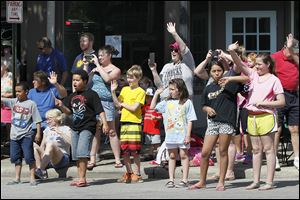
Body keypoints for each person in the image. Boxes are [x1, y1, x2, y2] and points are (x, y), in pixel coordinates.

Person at [228, 41, 285, 190]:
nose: (256, 67)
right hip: (252, 116)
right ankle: (256, 181)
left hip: (266, 116)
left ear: (268, 65)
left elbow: (281, 102)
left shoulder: (274, 80)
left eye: (259, 64)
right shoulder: (253, 75)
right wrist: (232, 51)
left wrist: (265, 104)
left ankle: (269, 182)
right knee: (256, 150)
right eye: (256, 64)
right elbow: (239, 64)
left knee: (269, 149)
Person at [189, 59, 247, 191]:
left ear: (223, 71)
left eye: (219, 71)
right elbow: (203, 105)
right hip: (213, 123)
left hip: (227, 122)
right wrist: (207, 109)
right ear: (210, 72)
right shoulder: (208, 88)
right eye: (214, 71)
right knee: (205, 152)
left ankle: (221, 181)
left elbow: (247, 78)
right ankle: (202, 181)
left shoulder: (230, 84)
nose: (216, 73)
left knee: (222, 151)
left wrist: (230, 79)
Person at [56, 69, 109, 187]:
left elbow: (100, 110)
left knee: (82, 152)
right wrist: (61, 106)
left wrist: (105, 123)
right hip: (75, 127)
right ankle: (79, 177)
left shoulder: (92, 94)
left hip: (88, 126)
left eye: (77, 80)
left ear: (85, 81)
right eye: (73, 80)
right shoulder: (72, 96)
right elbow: (69, 112)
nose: (74, 82)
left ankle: (83, 179)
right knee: (75, 154)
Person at [150, 78, 197, 188]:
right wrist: (156, 94)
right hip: (170, 135)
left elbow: (190, 119)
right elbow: (152, 107)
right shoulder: (166, 102)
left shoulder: (187, 102)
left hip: (183, 135)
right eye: (169, 89)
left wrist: (188, 135)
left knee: (184, 156)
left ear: (180, 90)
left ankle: (185, 179)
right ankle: (171, 179)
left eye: (172, 89)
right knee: (171, 156)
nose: (170, 91)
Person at [85, 45, 122, 169]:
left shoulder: (115, 69)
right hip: (94, 102)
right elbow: (87, 82)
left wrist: (98, 67)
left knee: (111, 131)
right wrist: (86, 67)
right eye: (98, 56)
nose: (99, 58)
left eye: (102, 55)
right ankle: (92, 159)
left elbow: (108, 79)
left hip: (107, 102)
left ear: (109, 56)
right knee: (96, 130)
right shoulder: (96, 69)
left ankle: (117, 159)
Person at [1, 82, 42, 186]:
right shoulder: (13, 102)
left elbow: (37, 120)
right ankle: (17, 178)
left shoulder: (31, 104)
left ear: (26, 92)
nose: (17, 93)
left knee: (29, 157)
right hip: (14, 136)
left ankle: (32, 178)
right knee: (15, 157)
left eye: (19, 91)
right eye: (16, 91)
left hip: (26, 135)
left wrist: (38, 133)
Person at [111, 65, 146, 183]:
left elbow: (134, 107)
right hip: (124, 122)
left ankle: (138, 174)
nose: (129, 80)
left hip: (134, 123)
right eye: (128, 77)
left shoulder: (141, 91)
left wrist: (123, 105)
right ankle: (129, 173)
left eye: (132, 77)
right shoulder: (124, 90)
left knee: (135, 151)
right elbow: (117, 104)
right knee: (125, 150)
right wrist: (113, 92)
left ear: (138, 78)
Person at [271, 33, 299, 171]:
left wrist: (293, 52)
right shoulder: (275, 57)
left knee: (295, 128)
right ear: (284, 47)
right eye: (291, 49)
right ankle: (274, 158)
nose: (294, 52)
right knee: (278, 128)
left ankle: (297, 158)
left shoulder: (296, 57)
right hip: (280, 95)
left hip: (294, 96)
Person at [149, 22, 195, 100]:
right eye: (172, 49)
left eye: (176, 50)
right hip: (166, 105)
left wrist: (174, 33)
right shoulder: (166, 66)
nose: (173, 51)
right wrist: (153, 70)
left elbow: (183, 48)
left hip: (181, 104)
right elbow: (160, 86)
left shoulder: (187, 63)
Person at [34, 108, 72, 179]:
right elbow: (42, 146)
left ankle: (41, 170)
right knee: (34, 145)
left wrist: (60, 132)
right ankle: (41, 170)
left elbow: (72, 143)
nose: (47, 122)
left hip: (62, 158)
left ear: (57, 118)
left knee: (51, 143)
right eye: (46, 119)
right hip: (48, 158)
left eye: (49, 119)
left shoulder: (66, 128)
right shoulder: (47, 130)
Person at [28, 70, 67, 136]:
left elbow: (64, 94)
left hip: (50, 123)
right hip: (35, 123)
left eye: (36, 80)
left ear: (43, 82)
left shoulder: (52, 90)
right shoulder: (31, 92)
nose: (33, 82)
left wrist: (56, 83)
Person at [142, 87, 162, 161]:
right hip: (147, 130)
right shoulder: (144, 107)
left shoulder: (157, 107)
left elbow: (160, 117)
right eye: (146, 97)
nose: (147, 99)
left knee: (156, 144)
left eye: (150, 97)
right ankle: (151, 155)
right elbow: (142, 114)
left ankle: (160, 155)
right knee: (149, 144)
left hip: (155, 130)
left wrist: (156, 118)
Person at [1, 61, 13, 144]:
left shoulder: (10, 76)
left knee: (9, 121)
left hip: (8, 100)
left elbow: (16, 89)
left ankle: (9, 138)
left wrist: (6, 95)